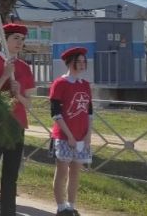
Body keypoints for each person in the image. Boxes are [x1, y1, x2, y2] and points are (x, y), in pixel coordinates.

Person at [0, 23, 35, 216]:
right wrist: (4, 76)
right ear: (5, 40)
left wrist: (18, 94)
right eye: (15, 38)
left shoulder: (25, 67)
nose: (20, 42)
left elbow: (28, 104)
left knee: (11, 176)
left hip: (16, 125)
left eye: (22, 38)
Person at [50, 47, 92, 216]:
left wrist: (89, 134)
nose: (82, 64)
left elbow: (89, 111)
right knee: (62, 171)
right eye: (78, 61)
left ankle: (71, 205)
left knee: (76, 172)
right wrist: (69, 135)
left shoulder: (85, 85)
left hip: (82, 136)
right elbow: (55, 113)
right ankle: (61, 207)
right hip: (64, 136)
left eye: (84, 61)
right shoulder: (60, 83)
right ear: (69, 62)